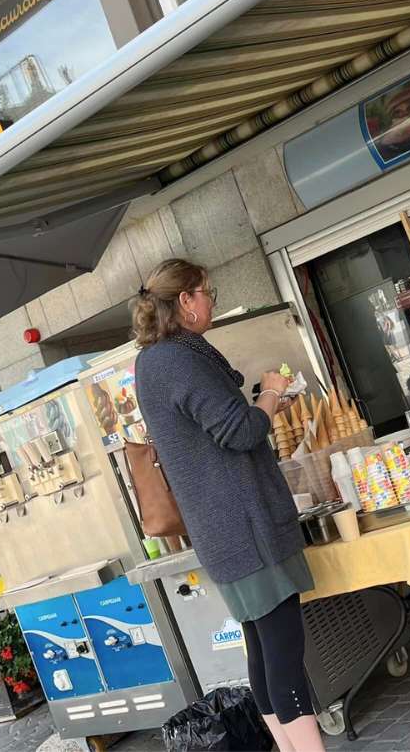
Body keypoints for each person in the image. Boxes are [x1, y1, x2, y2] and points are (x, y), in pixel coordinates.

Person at [132, 258, 324, 752]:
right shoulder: (176, 359)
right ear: (186, 302)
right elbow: (240, 431)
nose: (212, 300)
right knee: (283, 652)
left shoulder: (156, 361)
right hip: (246, 526)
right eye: (207, 291)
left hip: (223, 530)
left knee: (262, 650)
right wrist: (273, 394)